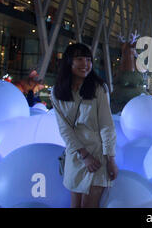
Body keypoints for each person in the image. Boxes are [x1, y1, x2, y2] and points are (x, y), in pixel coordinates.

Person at [50, 43, 118, 208]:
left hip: (98, 156)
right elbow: (64, 129)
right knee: (75, 205)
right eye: (79, 59)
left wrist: (110, 158)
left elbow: (106, 125)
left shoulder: (98, 88)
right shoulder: (57, 92)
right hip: (75, 155)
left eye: (88, 59)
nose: (85, 64)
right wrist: (83, 155)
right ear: (69, 62)